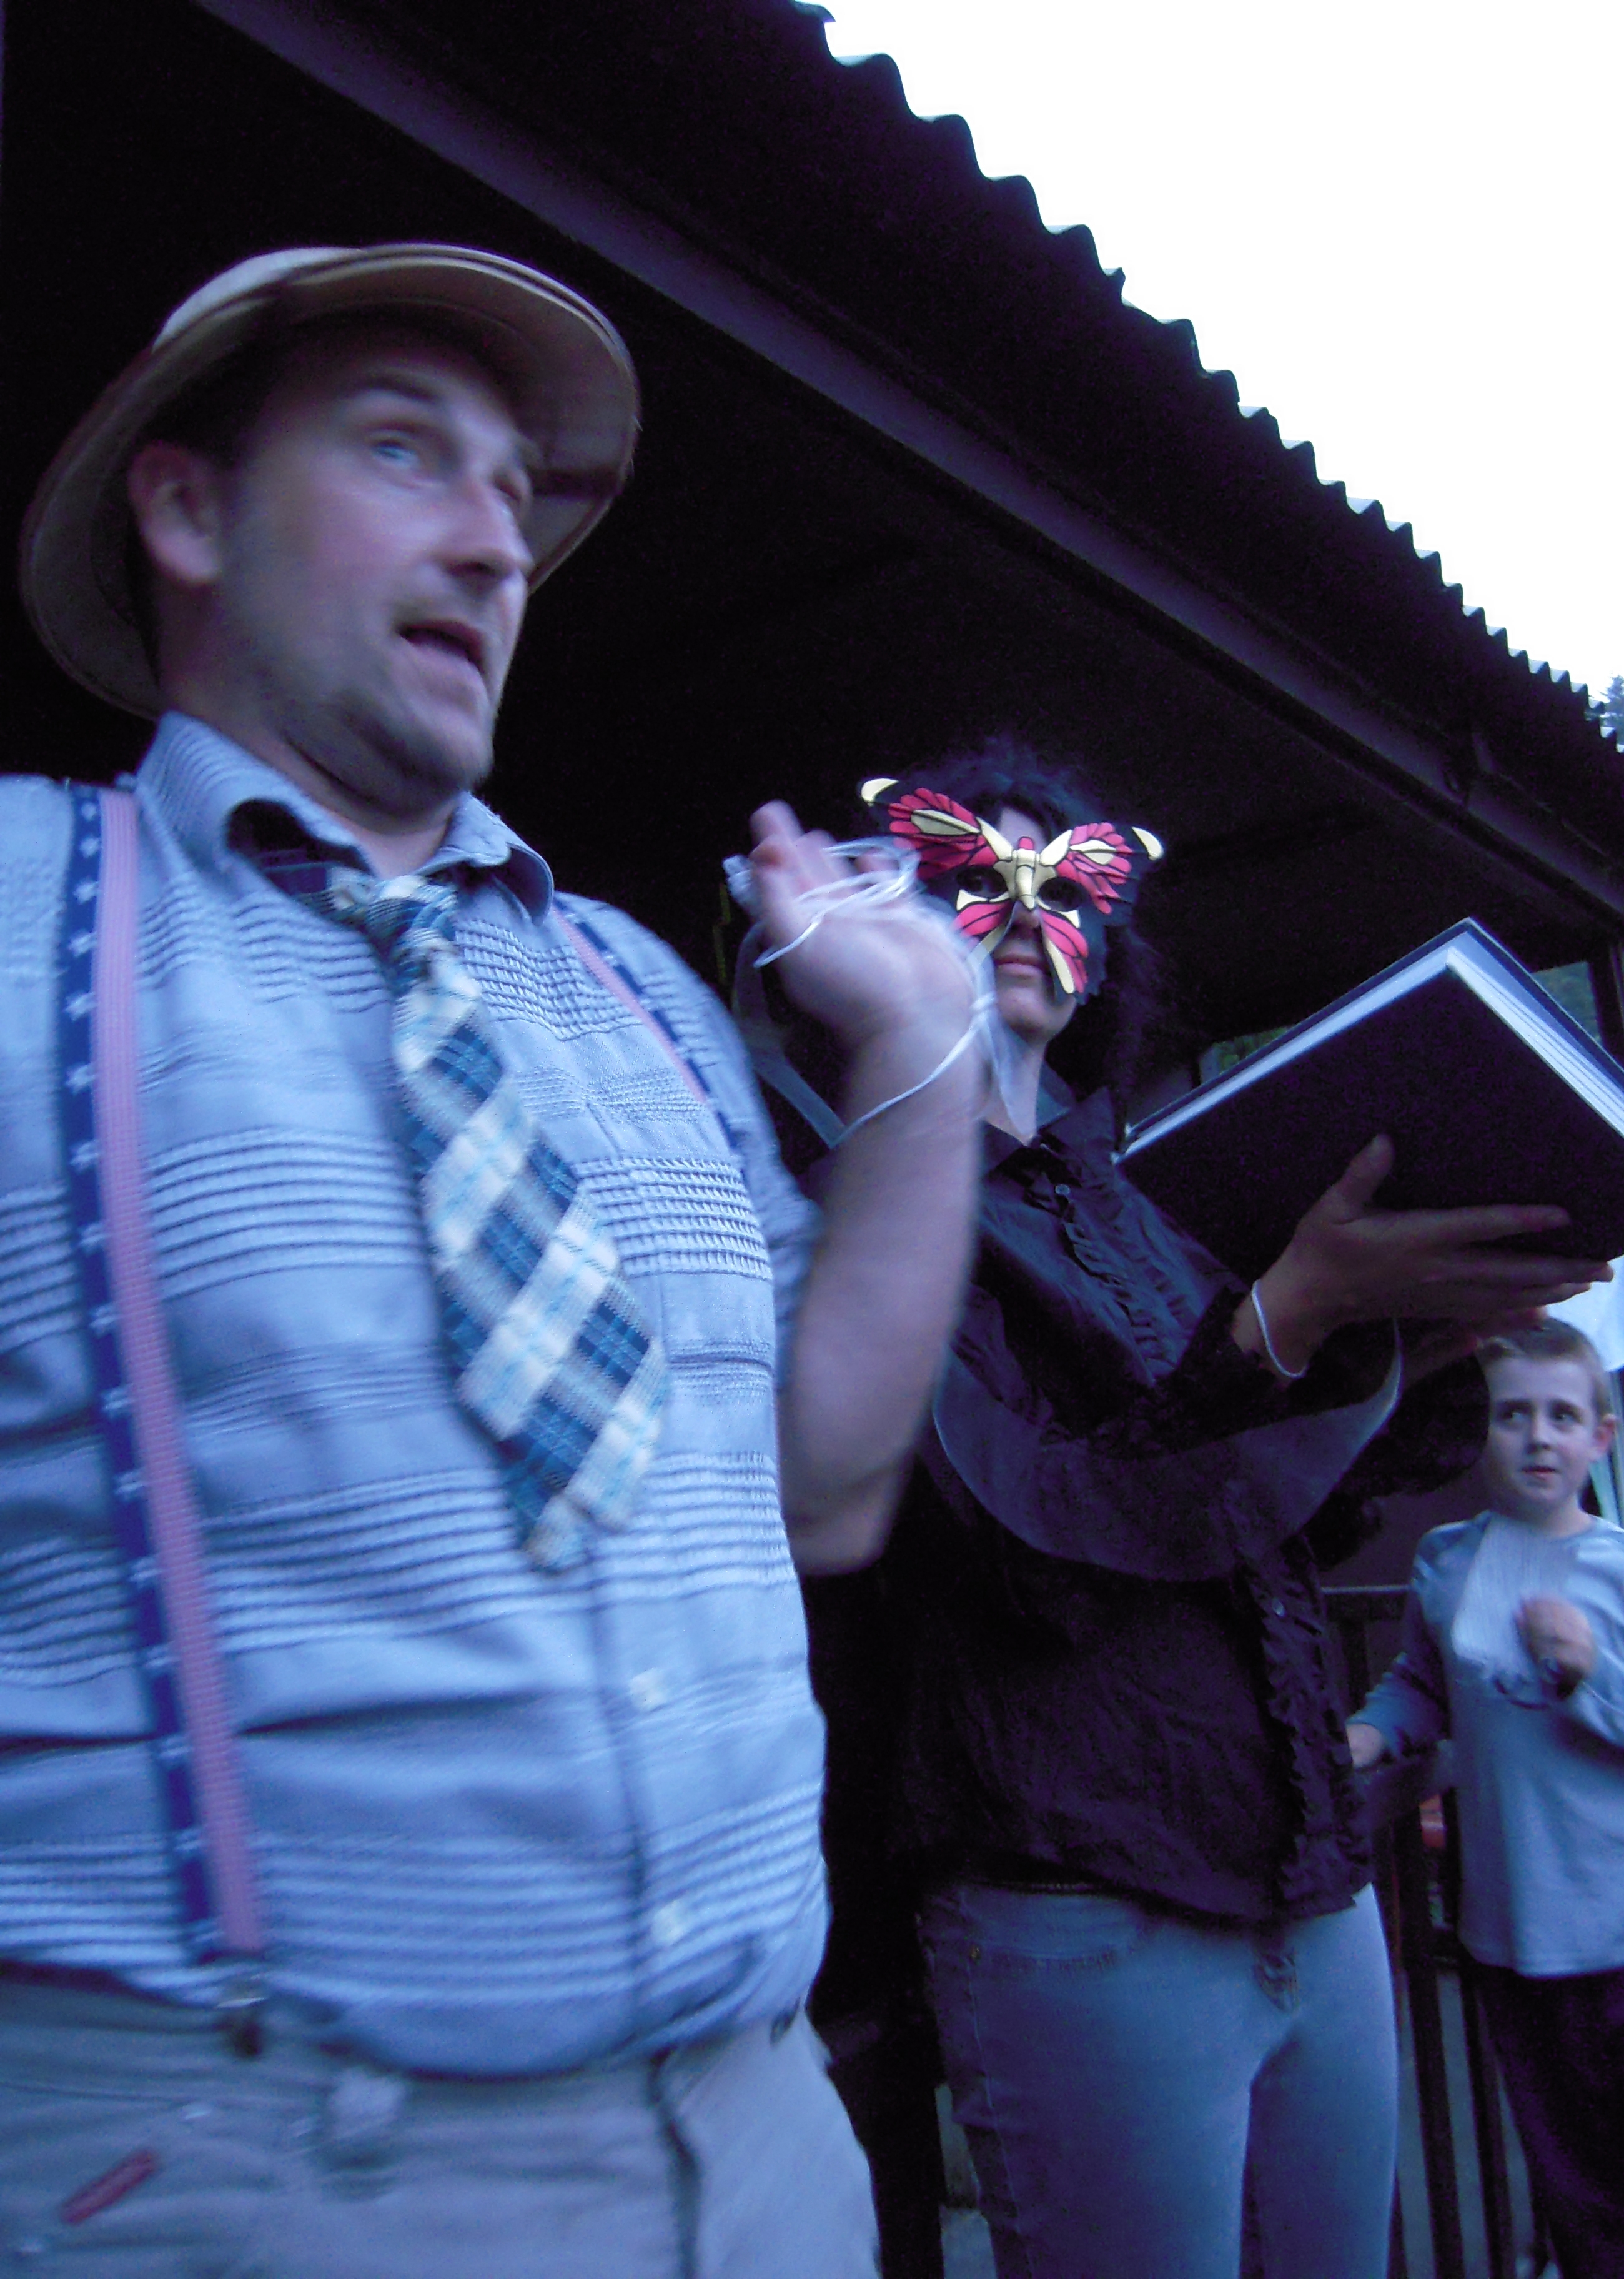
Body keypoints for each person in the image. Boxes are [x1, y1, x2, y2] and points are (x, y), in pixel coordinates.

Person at [0, 245, 987, 2275]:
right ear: (186, 510)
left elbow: (826, 1493)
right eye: (403, 451)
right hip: (246, 2180)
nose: (493, 540)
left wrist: (922, 1061)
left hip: (771, 2152)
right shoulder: (22, 909)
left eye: (516, 495)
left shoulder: (638, 986)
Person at [787, 739, 1613, 2279]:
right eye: (970, 873)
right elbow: (1030, 1551)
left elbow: (1263, 1528)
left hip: (1315, 1882)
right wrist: (1288, 1320)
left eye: (1062, 882)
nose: (1022, 907)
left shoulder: (1159, 1213)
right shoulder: (857, 1219)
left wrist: (1401, 1359)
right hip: (1084, 1899)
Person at [1350, 1321, 1624, 2279]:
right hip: (1518, 1941)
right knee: (1583, 2204)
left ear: (1601, 1437)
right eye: (1513, 1415)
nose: (1538, 1436)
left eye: (1562, 1416)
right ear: (1481, 1430)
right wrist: (1370, 1735)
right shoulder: (1444, 1561)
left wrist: (1592, 1673)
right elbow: (1424, 1685)